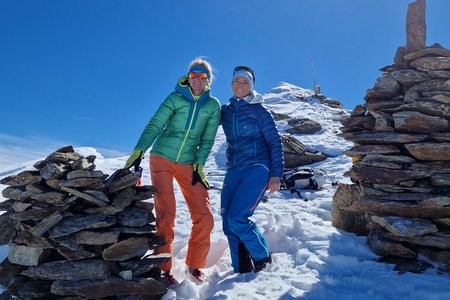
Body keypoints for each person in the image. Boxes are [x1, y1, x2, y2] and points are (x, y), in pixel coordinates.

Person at [124, 57, 221, 283]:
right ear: (188, 77)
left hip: (189, 163)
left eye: (202, 76)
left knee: (204, 216)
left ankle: (194, 264)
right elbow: (155, 124)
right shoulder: (175, 98)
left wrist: (199, 164)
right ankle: (162, 267)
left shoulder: (212, 106)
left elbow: (207, 139)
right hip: (162, 158)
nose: (197, 79)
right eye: (193, 74)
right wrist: (139, 151)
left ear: (209, 81)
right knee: (166, 215)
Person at [220, 66, 284, 274]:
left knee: (238, 217)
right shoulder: (226, 111)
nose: (240, 85)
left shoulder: (260, 111)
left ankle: (262, 259)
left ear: (251, 86)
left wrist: (276, 174)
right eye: (237, 81)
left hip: (257, 167)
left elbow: (275, 142)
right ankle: (242, 270)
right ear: (231, 84)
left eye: (245, 82)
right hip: (234, 169)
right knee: (228, 224)